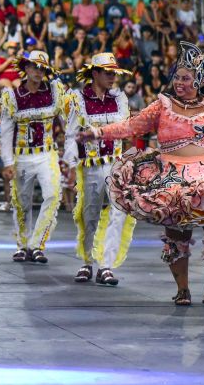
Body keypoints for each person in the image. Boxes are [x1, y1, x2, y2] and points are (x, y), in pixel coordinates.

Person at [77, 42, 204, 308]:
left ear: (199, 81)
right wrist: (96, 133)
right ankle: (182, 290)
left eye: (185, 78)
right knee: (177, 237)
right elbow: (130, 126)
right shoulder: (162, 106)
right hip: (172, 180)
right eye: (177, 77)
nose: (179, 83)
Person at [64, 53, 136, 286]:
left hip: (114, 165)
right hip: (90, 168)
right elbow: (71, 136)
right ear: (94, 73)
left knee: (118, 213)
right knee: (89, 215)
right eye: (108, 73)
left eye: (114, 72)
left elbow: (125, 130)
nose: (113, 77)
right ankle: (86, 262)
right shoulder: (78, 99)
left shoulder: (119, 99)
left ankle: (106, 265)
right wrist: (71, 165)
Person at [0, 50, 69, 264]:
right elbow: (6, 131)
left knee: (53, 194)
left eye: (42, 68)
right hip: (22, 156)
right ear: (26, 69)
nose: (39, 72)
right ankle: (22, 245)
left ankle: (37, 244)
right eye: (35, 67)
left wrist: (71, 154)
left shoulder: (54, 92)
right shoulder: (12, 96)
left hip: (47, 153)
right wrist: (8, 162)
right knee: (21, 202)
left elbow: (68, 123)